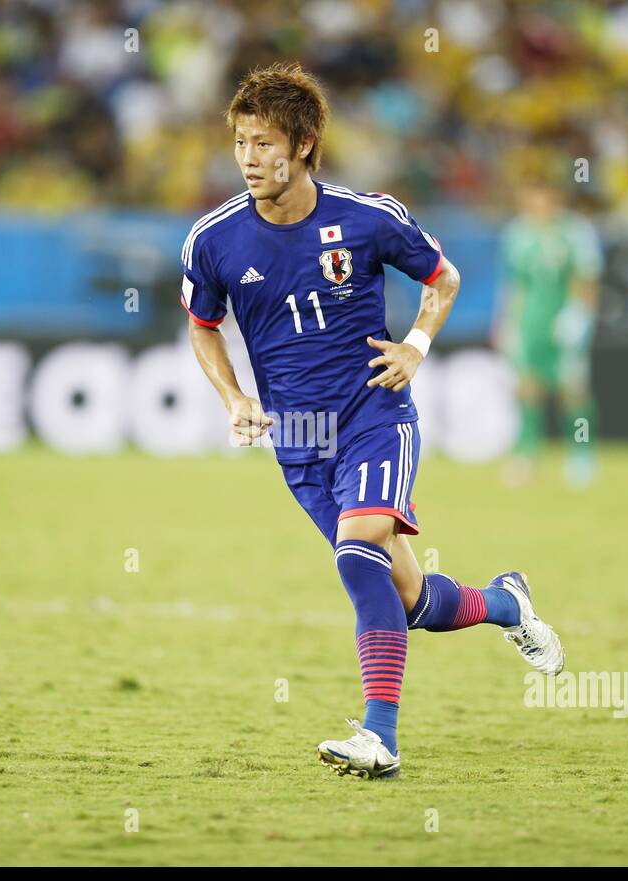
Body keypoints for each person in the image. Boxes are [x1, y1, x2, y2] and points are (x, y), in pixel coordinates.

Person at [183, 64, 565, 780]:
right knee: (410, 597)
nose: (249, 159)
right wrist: (235, 398)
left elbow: (442, 278)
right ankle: (507, 604)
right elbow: (203, 326)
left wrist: (416, 346)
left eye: (264, 143)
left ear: (303, 144)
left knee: (357, 557)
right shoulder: (214, 239)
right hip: (300, 440)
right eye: (239, 143)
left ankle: (379, 737)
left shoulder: (367, 217)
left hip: (373, 413)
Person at [494, 173, 603, 486]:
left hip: (563, 320)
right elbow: (515, 283)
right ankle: (527, 454)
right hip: (530, 322)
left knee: (572, 389)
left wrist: (578, 315)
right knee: (527, 388)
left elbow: (585, 278)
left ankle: (581, 455)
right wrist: (506, 322)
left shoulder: (576, 232)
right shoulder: (516, 233)